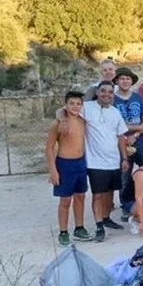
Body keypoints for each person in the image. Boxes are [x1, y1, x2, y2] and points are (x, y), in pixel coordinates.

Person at [82, 81, 129, 242]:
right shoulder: (86, 107)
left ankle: (106, 218)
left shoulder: (115, 112)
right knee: (98, 194)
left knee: (110, 191)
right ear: (97, 92)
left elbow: (120, 136)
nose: (106, 94)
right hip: (95, 162)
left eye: (110, 92)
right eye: (103, 91)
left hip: (114, 160)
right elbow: (65, 111)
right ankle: (99, 225)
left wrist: (124, 158)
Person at [46, 91, 92, 246]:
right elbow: (49, 148)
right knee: (65, 199)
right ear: (65, 104)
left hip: (80, 163)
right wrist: (53, 170)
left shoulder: (82, 121)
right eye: (71, 103)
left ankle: (79, 228)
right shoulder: (58, 124)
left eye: (78, 104)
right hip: (64, 164)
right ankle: (63, 231)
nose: (75, 106)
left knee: (80, 197)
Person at [113, 67, 143, 220]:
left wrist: (135, 134)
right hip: (120, 141)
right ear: (117, 80)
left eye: (128, 78)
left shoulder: (138, 98)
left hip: (140, 140)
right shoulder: (112, 99)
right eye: (122, 78)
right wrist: (135, 129)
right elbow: (114, 124)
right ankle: (126, 206)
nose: (125, 81)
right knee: (124, 175)